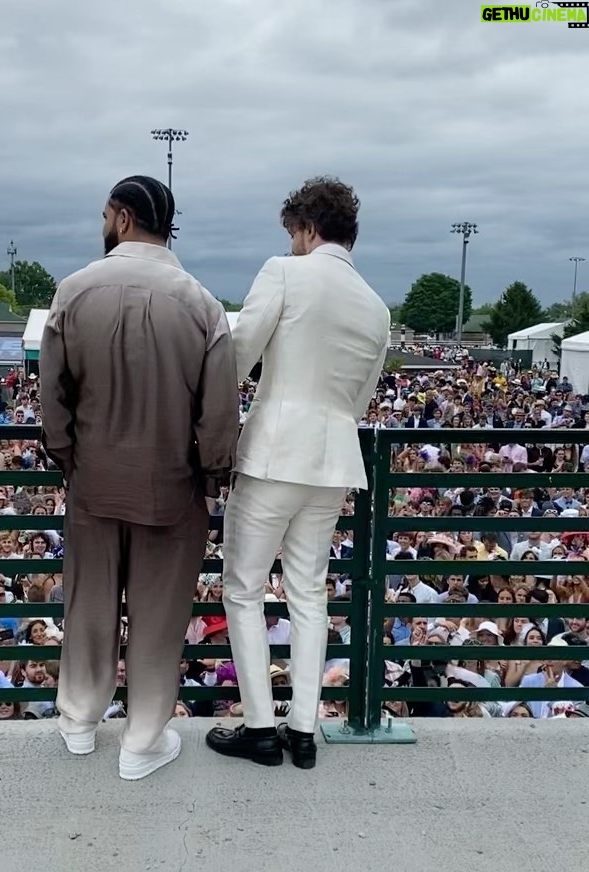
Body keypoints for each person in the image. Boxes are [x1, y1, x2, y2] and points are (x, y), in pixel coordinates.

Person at [40, 175, 238, 780]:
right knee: (158, 618)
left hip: (94, 480)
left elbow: (53, 397)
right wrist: (210, 474)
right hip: (172, 486)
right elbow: (220, 412)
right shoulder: (203, 304)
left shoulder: (72, 292)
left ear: (123, 218)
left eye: (105, 214)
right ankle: (141, 741)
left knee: (89, 606)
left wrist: (70, 456)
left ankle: (78, 722)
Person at [206, 176, 390, 769]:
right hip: (333, 459)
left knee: (243, 589)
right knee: (310, 594)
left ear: (308, 228)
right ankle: (304, 730)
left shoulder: (284, 273)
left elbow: (236, 357)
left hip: (273, 454)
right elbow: (359, 400)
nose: (289, 243)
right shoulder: (377, 306)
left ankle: (260, 726)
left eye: (292, 232)